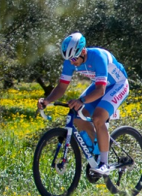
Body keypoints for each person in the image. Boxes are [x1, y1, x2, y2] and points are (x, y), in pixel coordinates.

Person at [37, 33, 129, 176]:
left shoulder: (98, 57)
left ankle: (104, 163)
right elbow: (61, 87)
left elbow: (100, 90)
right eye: (68, 59)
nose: (71, 62)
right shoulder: (70, 61)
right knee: (78, 116)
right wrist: (47, 100)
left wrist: (81, 101)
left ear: (83, 51)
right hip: (100, 86)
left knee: (98, 118)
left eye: (74, 58)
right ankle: (97, 152)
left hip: (117, 85)